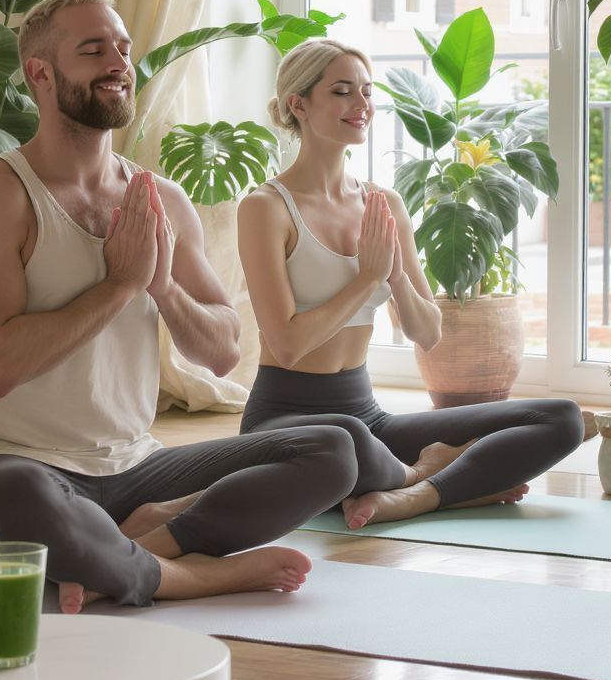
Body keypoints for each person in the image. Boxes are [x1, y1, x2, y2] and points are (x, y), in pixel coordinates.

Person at [0, 0, 371, 614]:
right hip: (14, 463)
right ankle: (193, 576)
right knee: (10, 497)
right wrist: (117, 286)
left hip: (136, 469)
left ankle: (145, 544)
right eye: (94, 50)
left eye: (122, 47)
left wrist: (162, 285)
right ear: (40, 73)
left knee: (335, 447)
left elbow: (223, 352)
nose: (118, 63)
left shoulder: (160, 200)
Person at [236, 39, 584, 529]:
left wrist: (396, 274)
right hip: (286, 419)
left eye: (366, 92)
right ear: (299, 104)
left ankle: (419, 494)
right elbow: (287, 345)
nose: (362, 106)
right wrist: (367, 279)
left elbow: (428, 333)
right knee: (345, 442)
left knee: (561, 417)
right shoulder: (266, 208)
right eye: (341, 92)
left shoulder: (384, 203)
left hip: (366, 415)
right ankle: (442, 479)